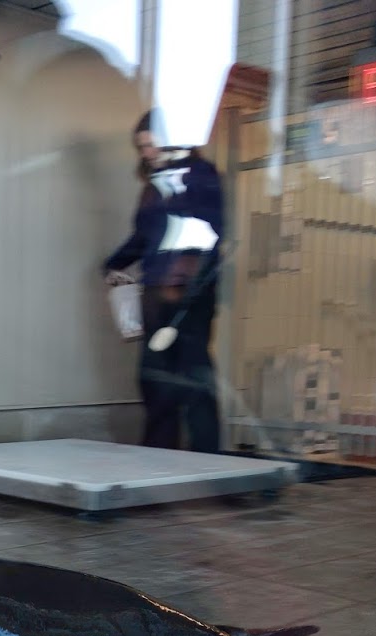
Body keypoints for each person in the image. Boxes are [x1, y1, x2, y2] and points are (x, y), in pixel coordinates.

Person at [102, 110, 225, 454]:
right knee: (158, 380)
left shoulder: (199, 177)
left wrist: (185, 283)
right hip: (159, 292)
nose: (146, 153)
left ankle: (205, 459)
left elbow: (209, 236)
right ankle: (162, 455)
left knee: (192, 377)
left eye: (150, 145)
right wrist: (114, 264)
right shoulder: (155, 186)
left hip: (186, 294)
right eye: (142, 147)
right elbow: (145, 237)